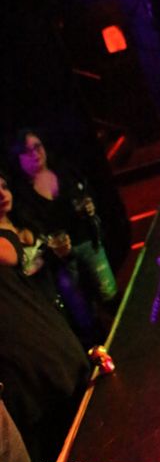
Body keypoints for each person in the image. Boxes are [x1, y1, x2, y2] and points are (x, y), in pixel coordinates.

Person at [0, 168, 89, 462]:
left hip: (39, 344)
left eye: (3, 186)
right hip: (17, 364)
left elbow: (9, 254)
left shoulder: (6, 234)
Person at [11, 129, 118, 345]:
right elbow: (32, 230)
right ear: (18, 158)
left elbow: (86, 195)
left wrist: (89, 207)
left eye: (37, 147)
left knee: (109, 294)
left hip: (87, 241)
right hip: (59, 260)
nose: (35, 154)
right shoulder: (21, 195)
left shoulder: (64, 172)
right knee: (81, 310)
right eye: (27, 151)